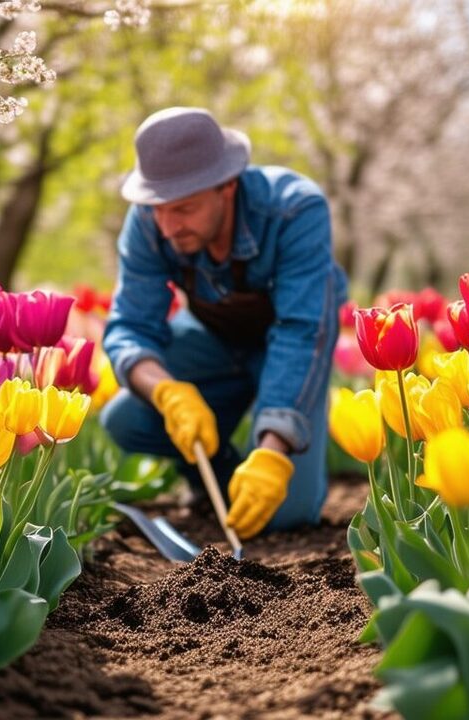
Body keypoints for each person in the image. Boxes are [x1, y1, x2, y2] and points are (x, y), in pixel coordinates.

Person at [101, 107, 348, 539]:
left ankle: (259, 467)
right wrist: (166, 390)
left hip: (288, 346)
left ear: (227, 186)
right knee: (127, 418)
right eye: (158, 209)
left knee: (285, 515)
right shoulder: (150, 219)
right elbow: (130, 326)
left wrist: (273, 450)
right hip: (212, 339)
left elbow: (302, 331)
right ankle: (216, 478)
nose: (168, 226)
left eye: (184, 209)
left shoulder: (294, 210)